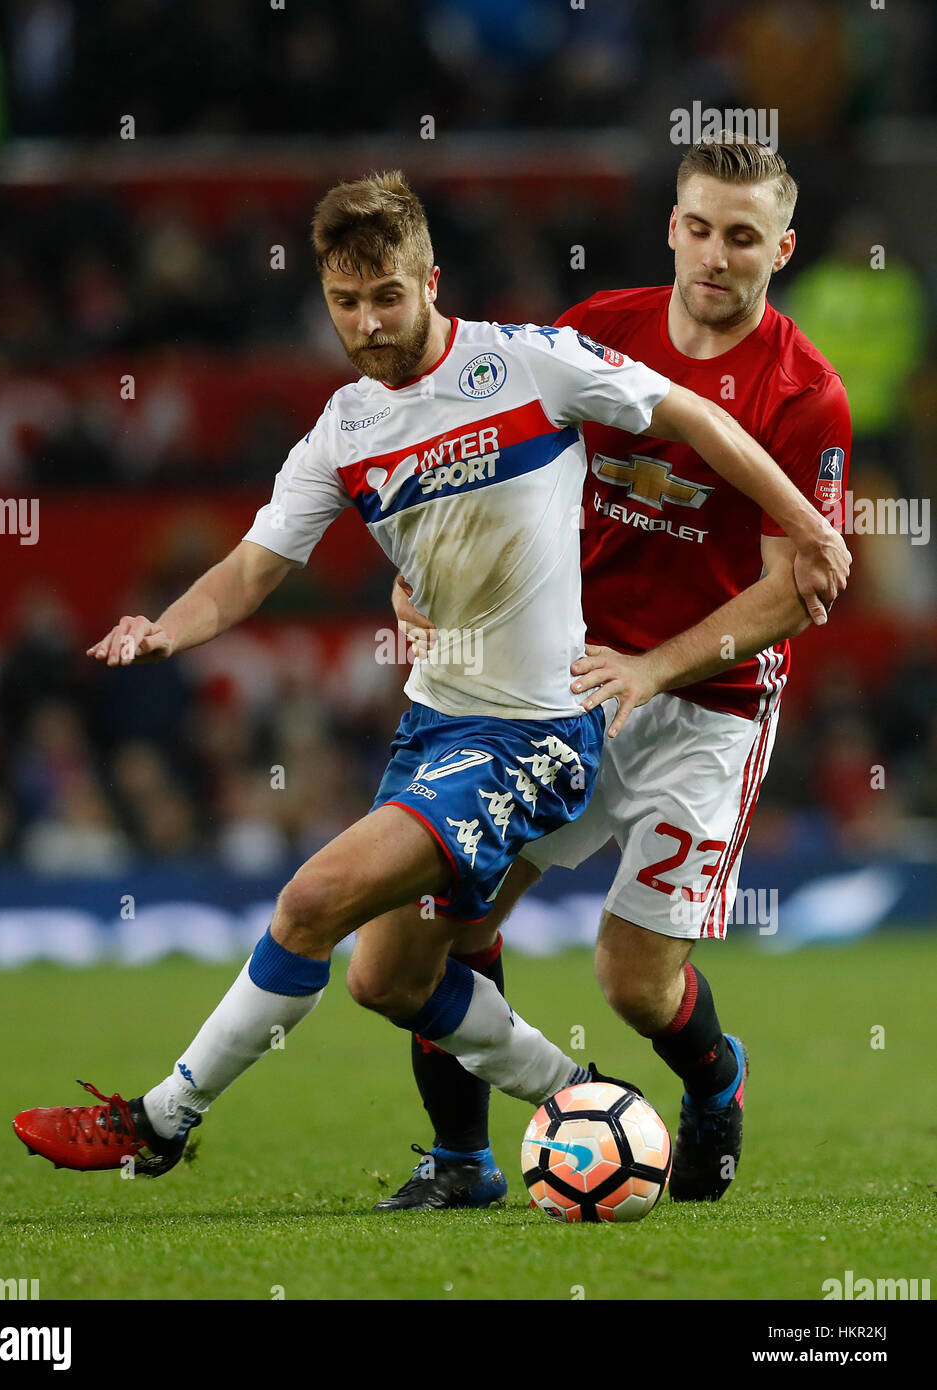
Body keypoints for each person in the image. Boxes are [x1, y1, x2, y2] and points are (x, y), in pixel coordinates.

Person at [12, 168, 848, 1180]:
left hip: (565, 721)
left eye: (387, 296)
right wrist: (168, 628)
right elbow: (249, 569)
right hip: (451, 718)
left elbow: (701, 430)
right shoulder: (346, 430)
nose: (366, 321)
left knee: (339, 906)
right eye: (345, 302)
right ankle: (558, 1117)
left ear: (431, 281)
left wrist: (800, 528)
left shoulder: (537, 361)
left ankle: (161, 1116)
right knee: (389, 973)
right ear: (673, 230)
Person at [369, 134, 854, 1210]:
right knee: (451, 928)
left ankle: (715, 1082)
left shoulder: (806, 393)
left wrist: (654, 667)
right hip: (562, 686)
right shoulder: (599, 333)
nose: (715, 256)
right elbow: (492, 467)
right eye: (698, 228)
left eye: (742, 236)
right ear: (671, 227)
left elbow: (795, 592)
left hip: (705, 707)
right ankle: (460, 1162)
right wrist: (430, 570)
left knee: (632, 982)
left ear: (782, 246)